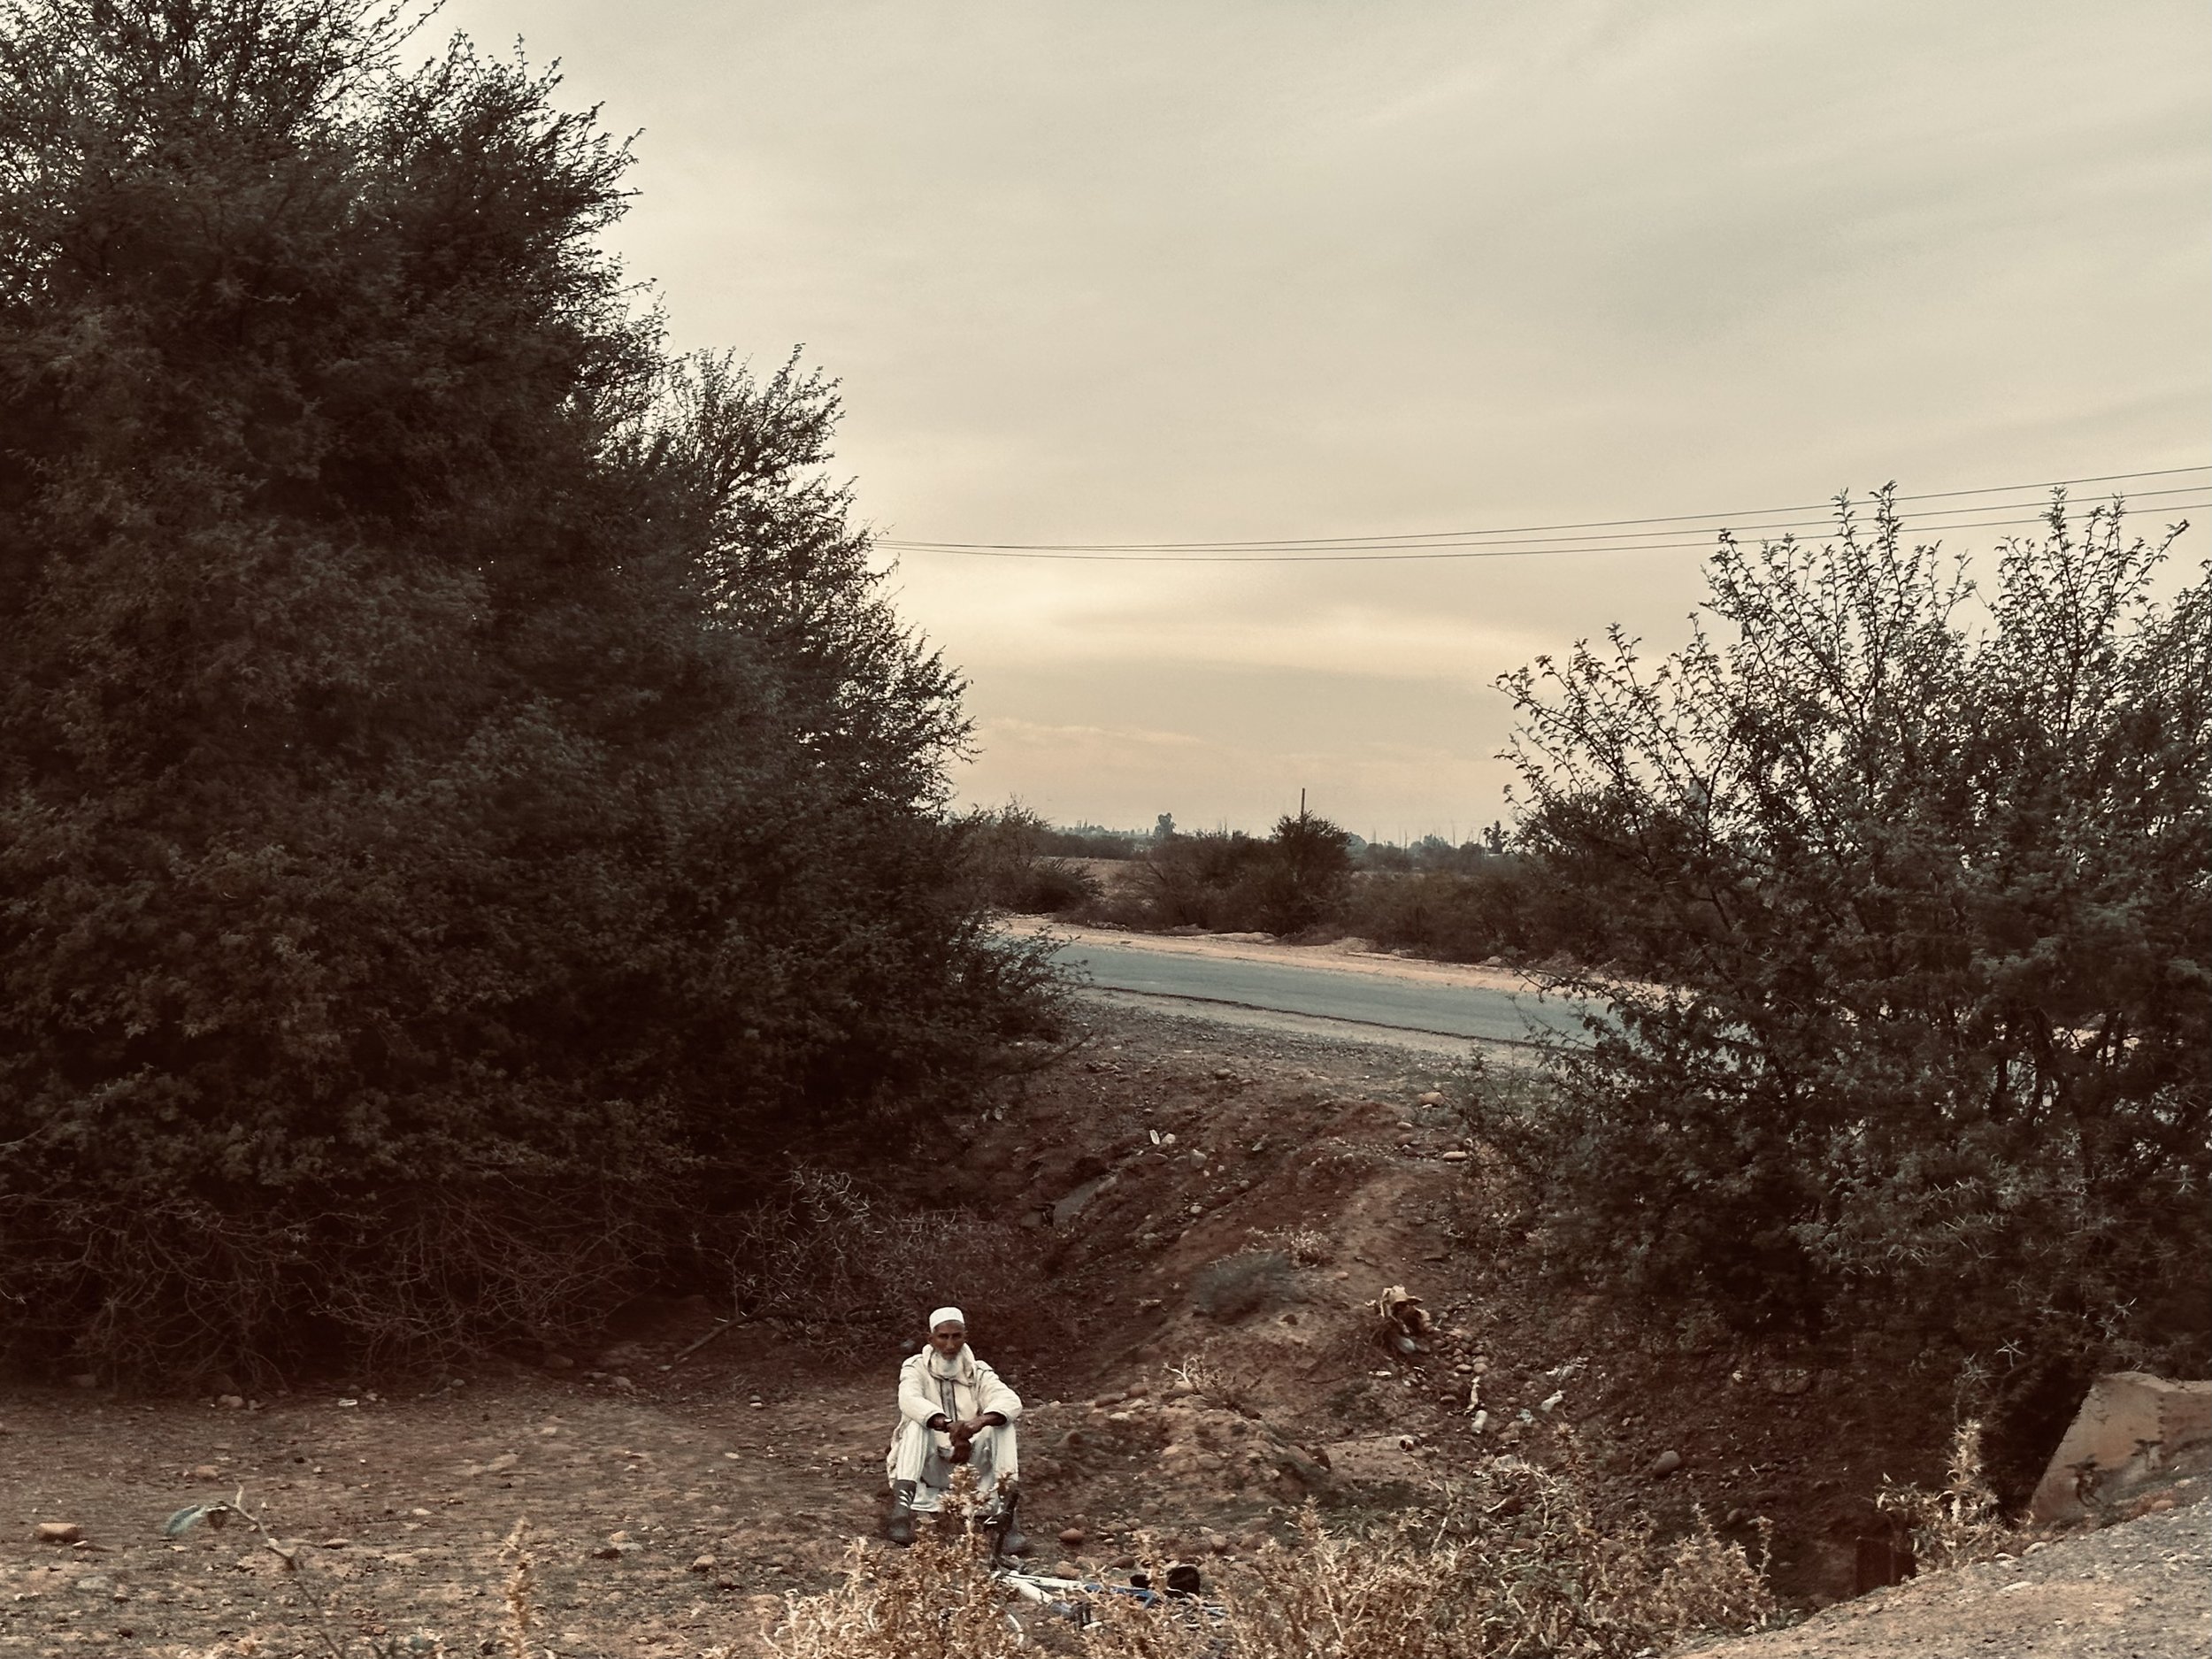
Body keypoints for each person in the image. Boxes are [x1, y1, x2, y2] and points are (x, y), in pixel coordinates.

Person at [884, 1306, 1026, 1552]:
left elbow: (1010, 1400)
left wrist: (977, 1423)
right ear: (931, 1339)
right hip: (931, 1467)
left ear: (965, 1337)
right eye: (943, 1337)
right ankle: (901, 1514)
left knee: (1003, 1425)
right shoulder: (915, 1367)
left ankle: (1007, 1517)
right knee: (916, 1425)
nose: (950, 1345)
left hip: (970, 1470)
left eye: (956, 1336)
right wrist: (948, 1426)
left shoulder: (978, 1370)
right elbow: (908, 1399)